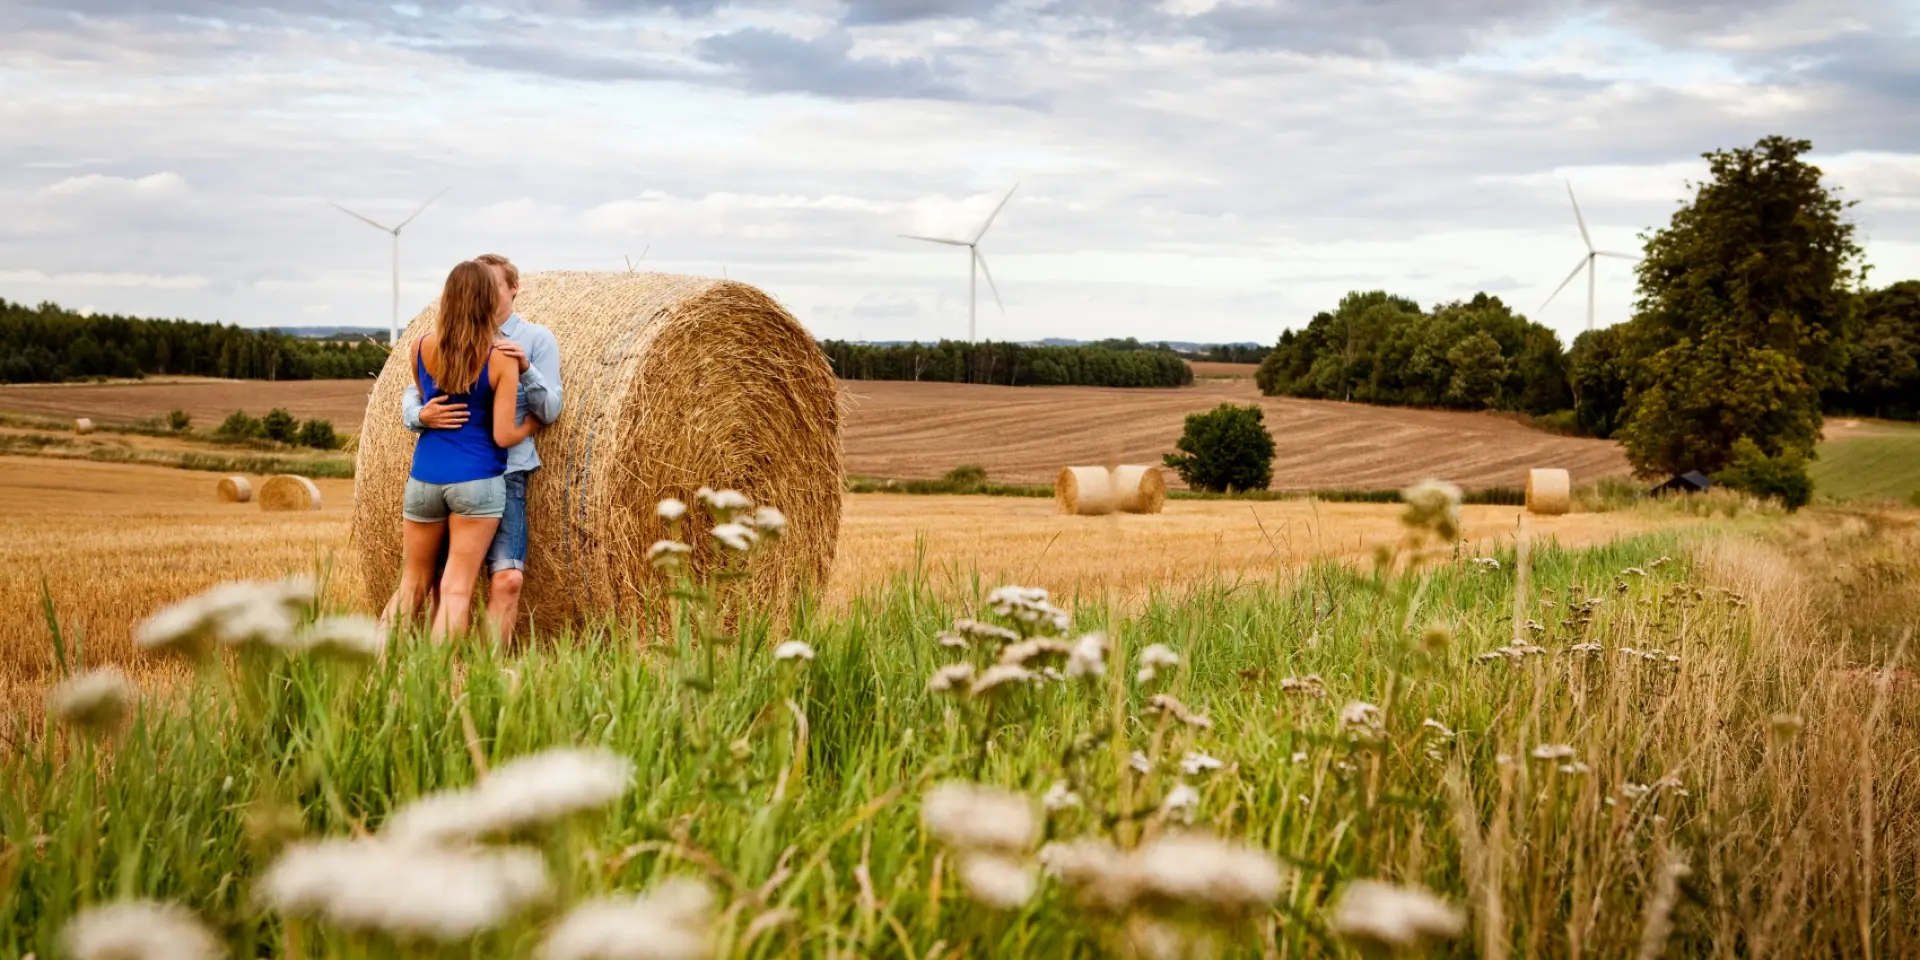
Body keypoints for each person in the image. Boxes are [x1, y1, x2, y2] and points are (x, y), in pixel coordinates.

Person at [402, 253, 562, 641]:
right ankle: (440, 678)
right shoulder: (469, 350)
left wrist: (527, 368)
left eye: (495, 285)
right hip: (476, 476)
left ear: (512, 288)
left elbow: (552, 405)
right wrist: (421, 415)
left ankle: (476, 673)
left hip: (467, 474)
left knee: (487, 581)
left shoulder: (534, 341)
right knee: (448, 586)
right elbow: (416, 397)